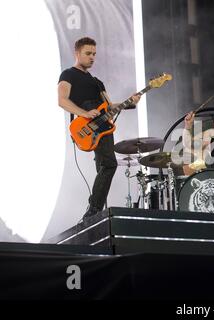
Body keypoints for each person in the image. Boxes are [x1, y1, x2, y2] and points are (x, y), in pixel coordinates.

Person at [57, 37, 140, 219]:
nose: (92, 57)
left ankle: (95, 213)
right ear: (77, 53)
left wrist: (131, 102)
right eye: (88, 53)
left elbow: (109, 107)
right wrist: (84, 113)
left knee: (105, 166)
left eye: (94, 54)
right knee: (109, 164)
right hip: (86, 125)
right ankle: (93, 210)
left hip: (103, 126)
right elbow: (62, 100)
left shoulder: (97, 82)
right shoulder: (68, 75)